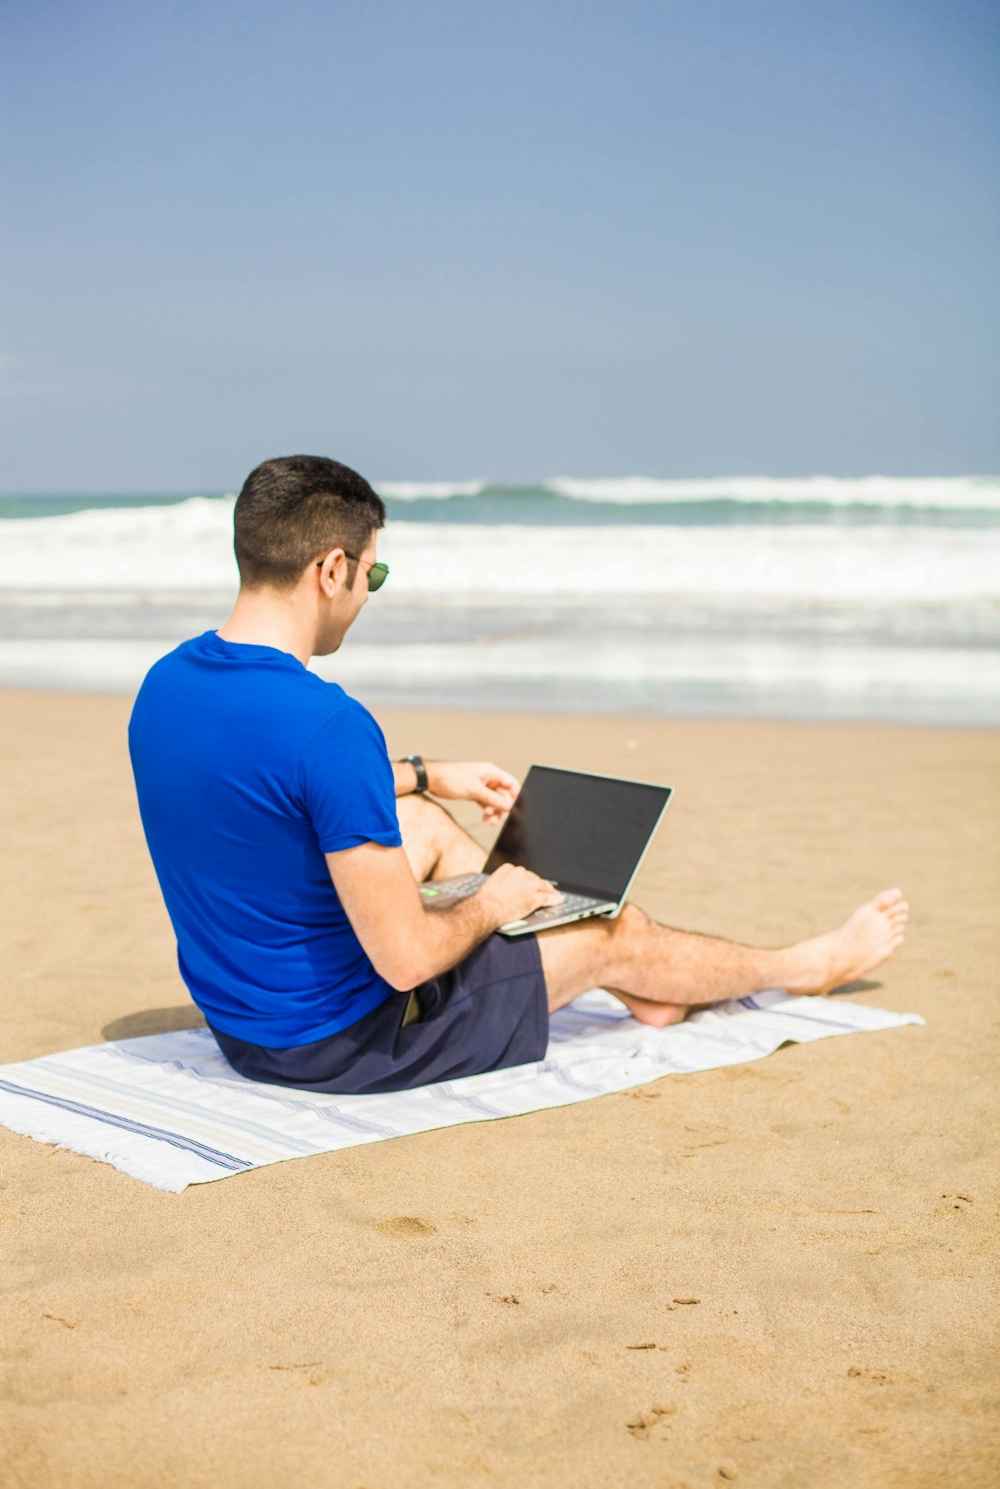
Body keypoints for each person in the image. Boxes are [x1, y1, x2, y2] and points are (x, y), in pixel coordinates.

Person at [129, 454, 908, 1095]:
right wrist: (492, 902)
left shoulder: (167, 686)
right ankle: (800, 967)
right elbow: (403, 961)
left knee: (430, 825)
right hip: (345, 1043)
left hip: (243, 1025)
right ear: (332, 569)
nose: (369, 591)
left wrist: (430, 775)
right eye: (376, 572)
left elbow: (265, 788)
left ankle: (601, 969)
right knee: (616, 927)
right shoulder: (327, 724)